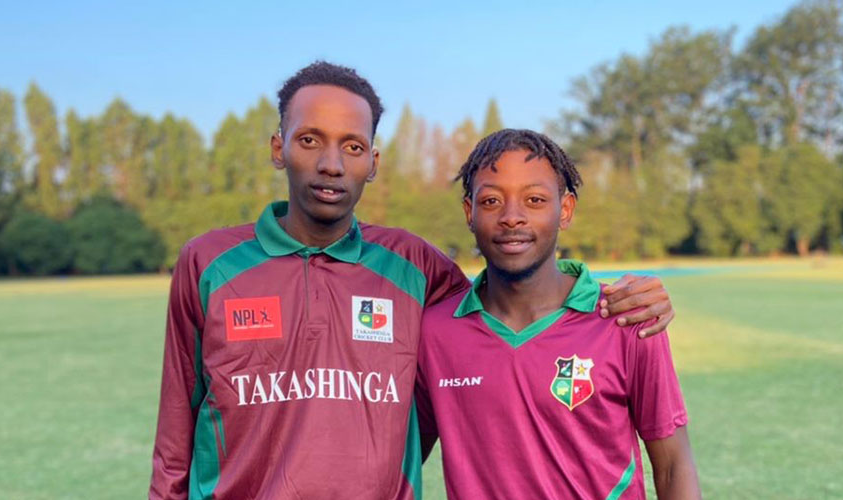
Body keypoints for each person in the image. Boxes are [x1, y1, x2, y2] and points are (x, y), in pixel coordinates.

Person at [150, 62, 678, 499]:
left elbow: (515, 287)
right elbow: (175, 437)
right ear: (278, 147)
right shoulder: (209, 264)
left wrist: (623, 296)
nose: (331, 164)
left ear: (373, 161)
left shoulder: (415, 267)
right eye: (310, 140)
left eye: (353, 147)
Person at [416, 129, 700, 499]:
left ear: (564, 210)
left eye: (534, 200)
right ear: (469, 212)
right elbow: (395, 460)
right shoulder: (436, 333)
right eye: (491, 201)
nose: (512, 217)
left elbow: (673, 464)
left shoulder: (626, 317)